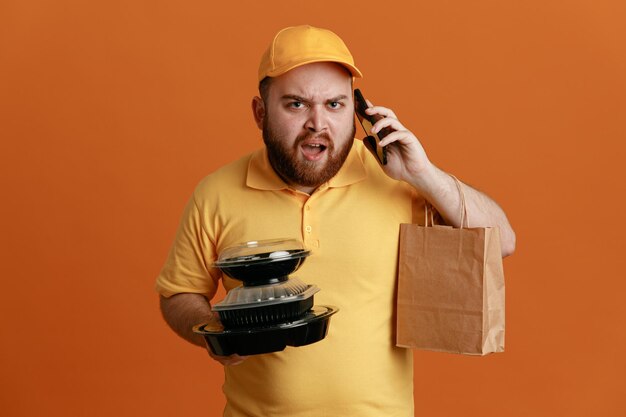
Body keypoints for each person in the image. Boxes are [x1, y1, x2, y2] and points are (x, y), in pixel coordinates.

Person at [156, 25, 515, 417]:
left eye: (334, 104)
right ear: (260, 113)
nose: (317, 123)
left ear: (358, 110)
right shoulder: (216, 192)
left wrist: (423, 174)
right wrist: (212, 332)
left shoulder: (395, 183)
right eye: (296, 104)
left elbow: (502, 241)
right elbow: (178, 293)